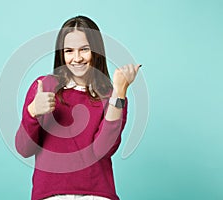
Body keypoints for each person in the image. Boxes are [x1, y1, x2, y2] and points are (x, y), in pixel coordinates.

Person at [15, 15, 141, 200]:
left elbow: (103, 151)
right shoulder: (44, 86)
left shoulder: (111, 95)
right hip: (50, 195)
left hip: (97, 194)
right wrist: (32, 112)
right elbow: (24, 149)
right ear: (61, 53)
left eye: (84, 49)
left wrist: (120, 92)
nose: (76, 58)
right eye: (69, 51)